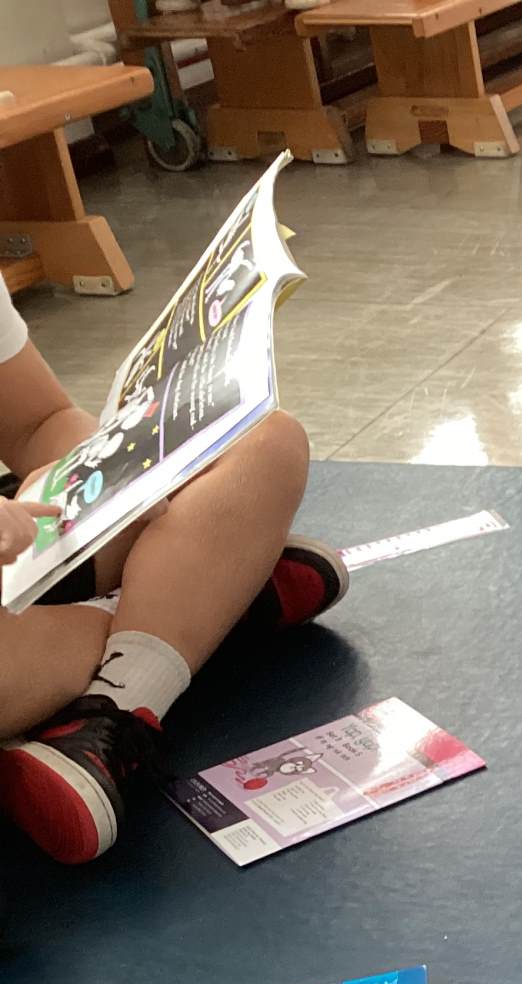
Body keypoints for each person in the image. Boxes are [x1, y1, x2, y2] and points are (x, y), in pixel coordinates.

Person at [0, 280, 346, 864]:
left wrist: (120, 479)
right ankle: (196, 608)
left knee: (264, 437)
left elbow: (39, 422)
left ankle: (112, 700)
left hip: (20, 542)